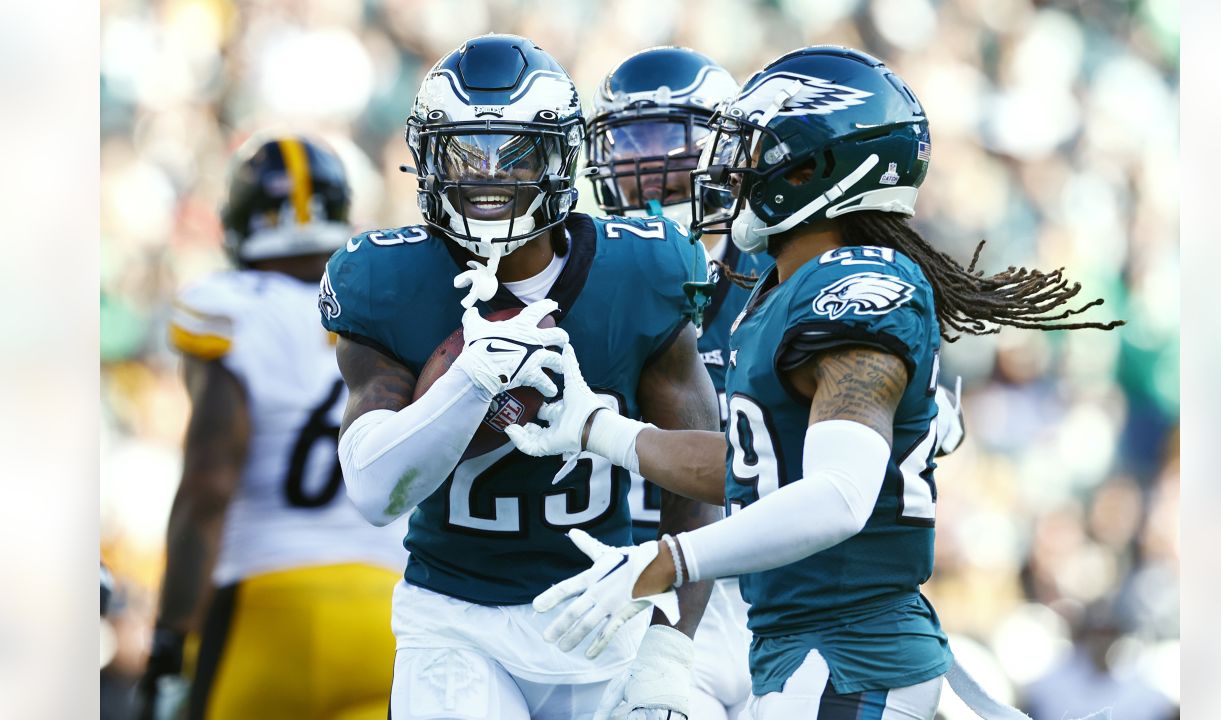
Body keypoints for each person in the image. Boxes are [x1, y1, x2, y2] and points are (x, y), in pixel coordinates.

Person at [506, 46, 1121, 719]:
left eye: (748, 150)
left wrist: (667, 559)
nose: (726, 170)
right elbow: (755, 467)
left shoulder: (852, 291)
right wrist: (602, 431)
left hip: (850, 656)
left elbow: (837, 497)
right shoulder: (786, 289)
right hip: (809, 651)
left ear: (810, 168)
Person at [318, 34, 722, 720]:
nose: (486, 177)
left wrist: (670, 645)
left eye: (514, 153)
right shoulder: (386, 279)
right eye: (464, 153)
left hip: (606, 610)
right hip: (454, 617)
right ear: (426, 158)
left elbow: (707, 479)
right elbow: (373, 491)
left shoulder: (643, 272)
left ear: (559, 156)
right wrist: (470, 382)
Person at [138, 136, 407, 720]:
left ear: (237, 222)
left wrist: (169, 635)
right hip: (387, 614)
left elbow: (209, 485)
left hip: (265, 606)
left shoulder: (232, 306)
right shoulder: (393, 307)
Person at [586, 45, 767, 720]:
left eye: (673, 140)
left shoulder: (785, 276)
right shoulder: (586, 270)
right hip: (628, 579)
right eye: (629, 142)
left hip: (767, 587)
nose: (651, 164)